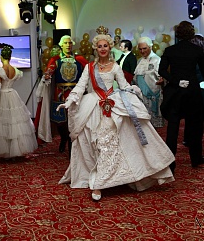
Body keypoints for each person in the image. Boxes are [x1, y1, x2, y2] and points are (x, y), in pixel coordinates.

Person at [57, 26, 175, 201]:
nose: (103, 49)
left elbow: (124, 85)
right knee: (94, 143)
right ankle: (98, 179)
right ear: (95, 48)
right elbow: (80, 87)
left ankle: (102, 183)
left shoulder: (115, 67)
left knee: (110, 142)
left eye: (105, 46)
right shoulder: (89, 67)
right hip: (93, 106)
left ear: (109, 47)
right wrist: (69, 101)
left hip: (113, 105)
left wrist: (134, 90)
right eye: (100, 46)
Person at [158, 21, 204, 170]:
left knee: (173, 127)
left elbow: (162, 70)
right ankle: (196, 159)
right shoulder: (197, 50)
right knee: (195, 126)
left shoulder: (170, 50)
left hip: (175, 92)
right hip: (192, 92)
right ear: (191, 33)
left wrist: (176, 80)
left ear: (177, 33)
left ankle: (170, 163)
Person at [0, 46, 38, 158]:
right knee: (14, 123)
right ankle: (15, 151)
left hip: (3, 95)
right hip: (12, 94)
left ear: (1, 57)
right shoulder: (15, 70)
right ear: (10, 57)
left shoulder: (1, 70)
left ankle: (6, 151)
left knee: (1, 123)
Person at [35, 35, 88, 154]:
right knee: (59, 121)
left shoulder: (79, 59)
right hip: (60, 93)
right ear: (61, 45)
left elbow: (88, 71)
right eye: (66, 43)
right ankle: (64, 137)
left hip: (75, 93)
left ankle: (71, 142)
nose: (68, 45)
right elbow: (49, 71)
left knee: (75, 118)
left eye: (70, 43)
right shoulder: (56, 59)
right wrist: (47, 76)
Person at [133, 37, 164, 128]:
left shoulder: (157, 60)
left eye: (144, 48)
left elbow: (162, 77)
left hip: (154, 95)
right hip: (141, 96)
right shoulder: (139, 61)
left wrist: (163, 80)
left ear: (150, 47)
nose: (142, 51)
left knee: (154, 125)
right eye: (140, 49)